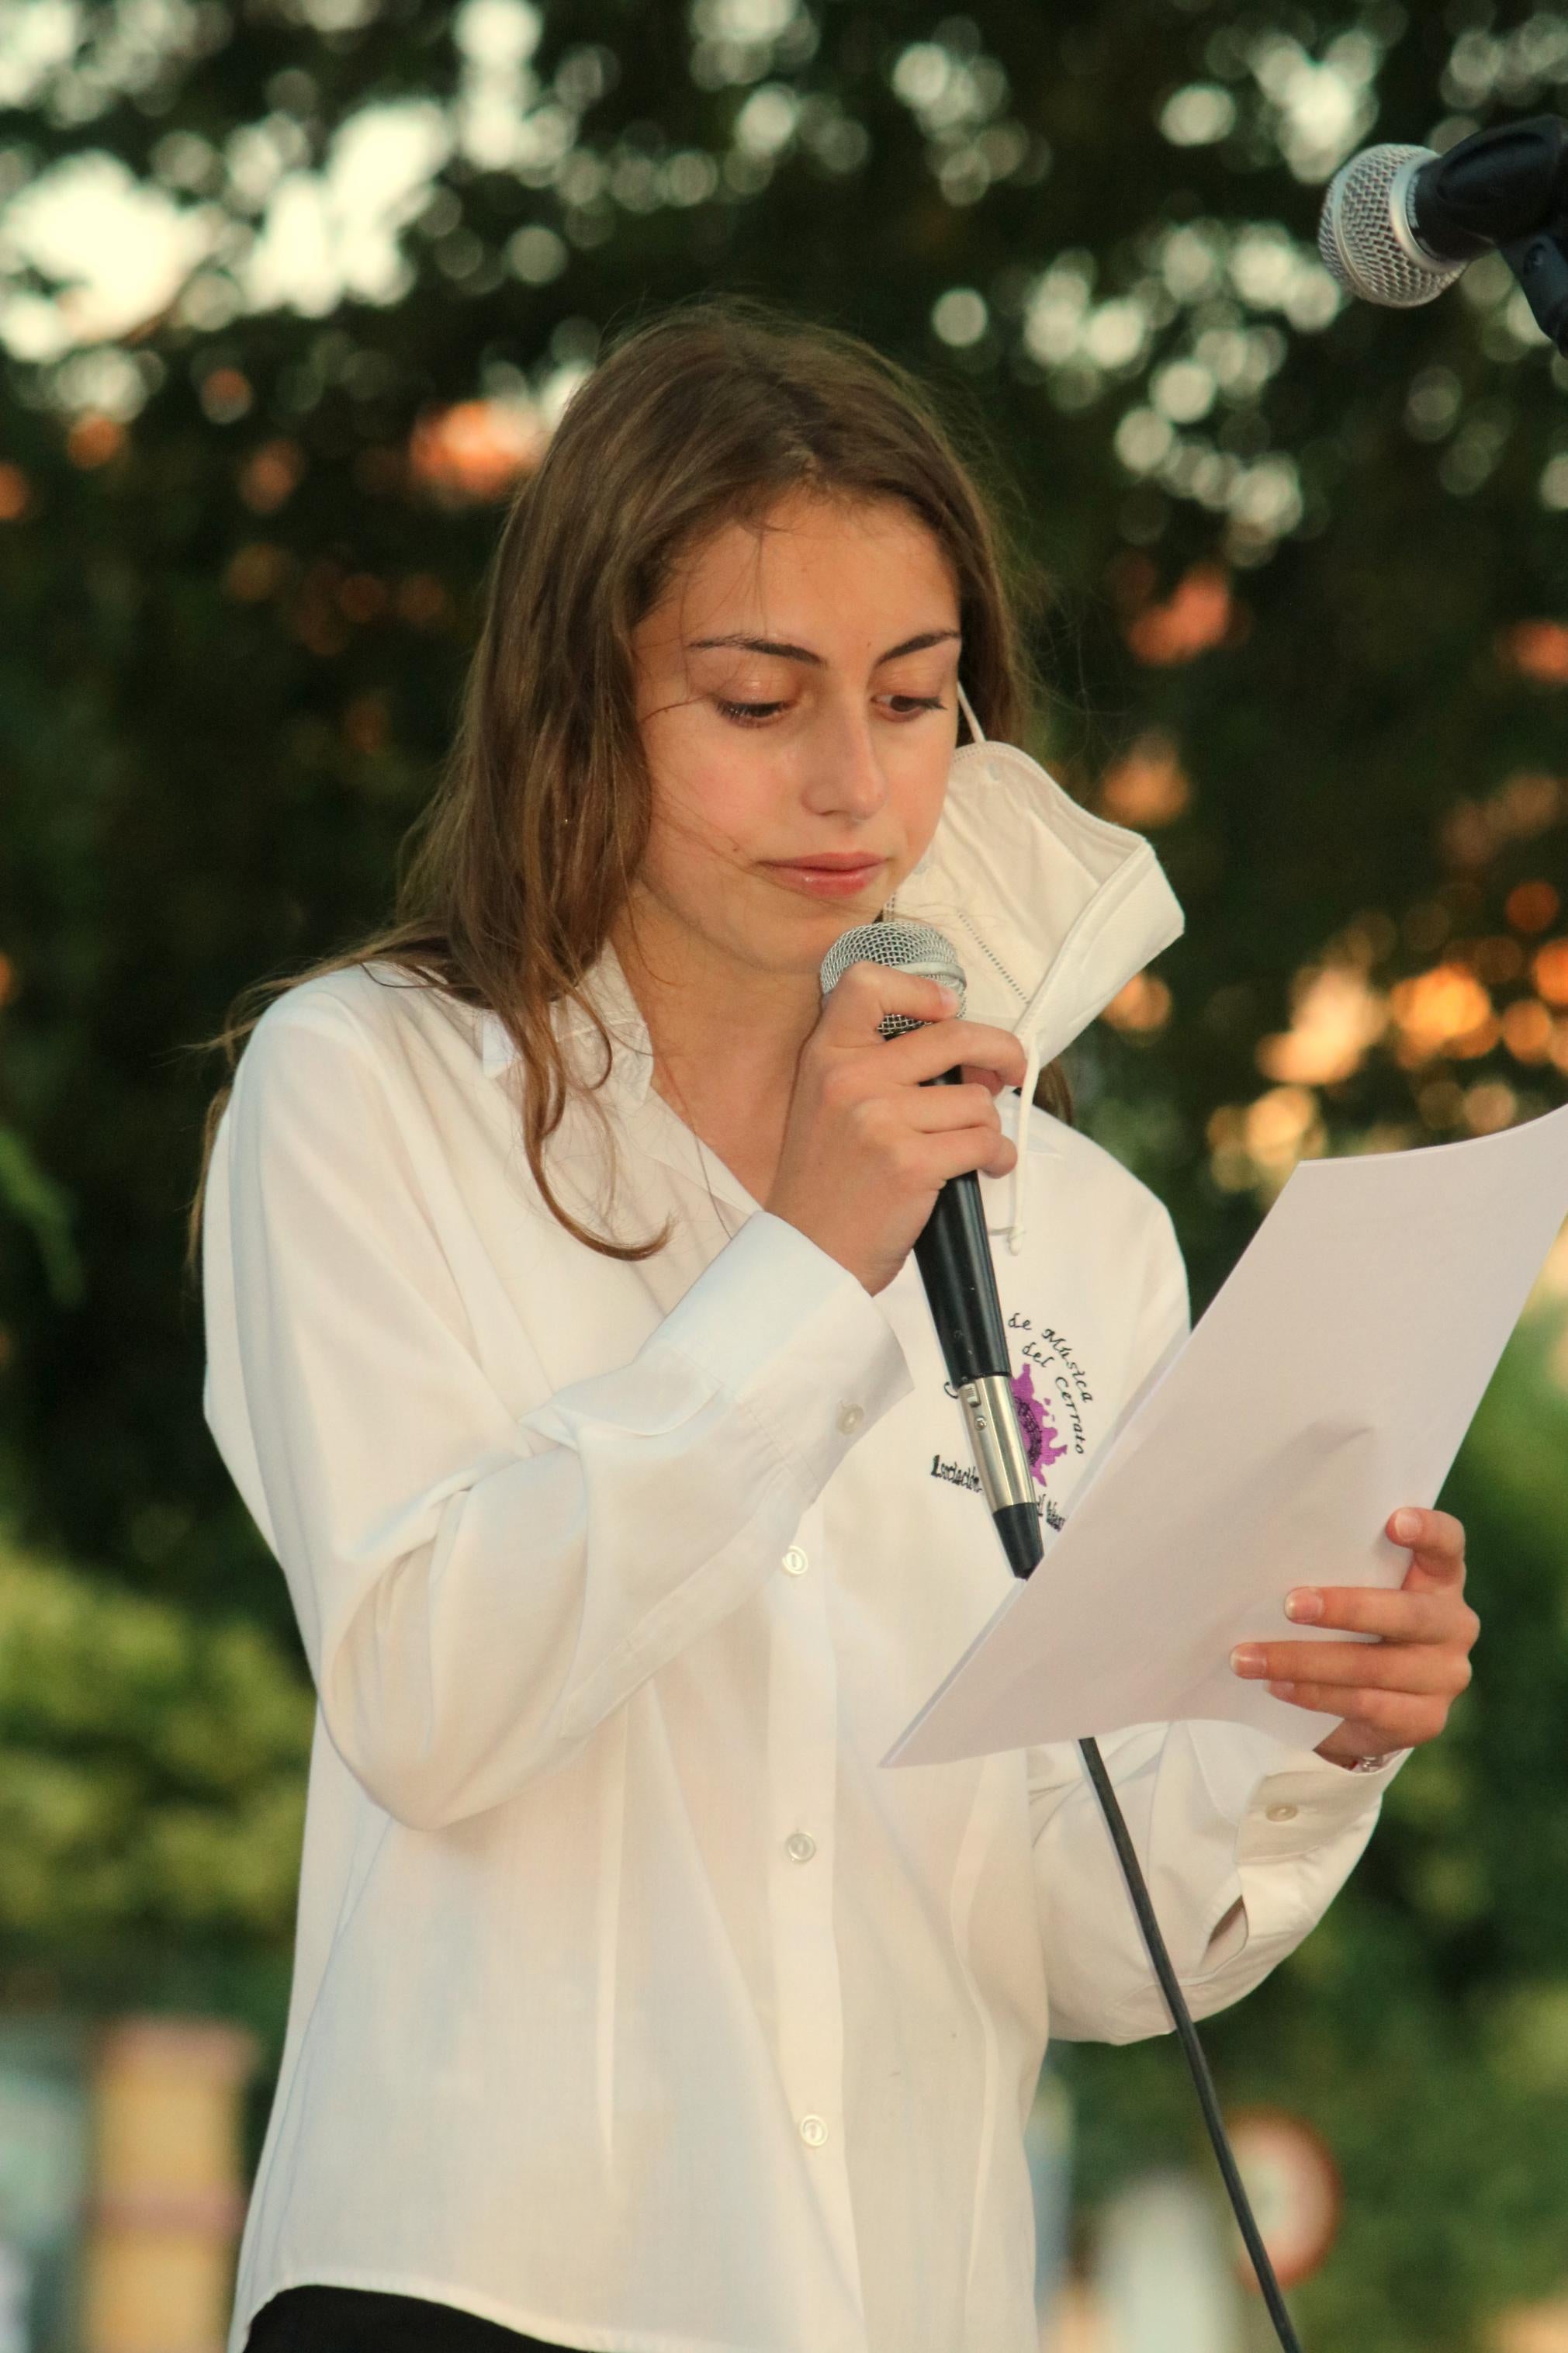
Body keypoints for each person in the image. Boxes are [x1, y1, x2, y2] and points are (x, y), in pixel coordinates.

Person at [189, 296, 1480, 2353]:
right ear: (580, 705)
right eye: (755, 698)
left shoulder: (1090, 1232)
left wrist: (1303, 1725)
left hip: (897, 2295)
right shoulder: (368, 1092)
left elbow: (1078, 1932)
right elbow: (430, 1690)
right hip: (477, 2281)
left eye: (909, 696)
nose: (850, 782)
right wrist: (806, 1265)